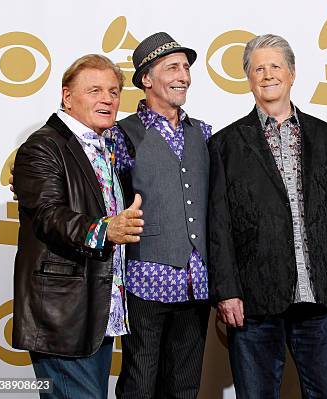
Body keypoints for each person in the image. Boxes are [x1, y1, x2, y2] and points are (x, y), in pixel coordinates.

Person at [207, 34, 327, 399]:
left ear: (292, 74)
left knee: (326, 392)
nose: (267, 74)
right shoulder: (225, 144)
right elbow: (219, 224)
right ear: (248, 79)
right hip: (255, 299)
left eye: (275, 66)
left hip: (318, 294)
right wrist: (227, 291)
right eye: (258, 68)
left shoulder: (326, 137)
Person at [12, 54, 143, 398]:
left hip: (96, 310)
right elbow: (48, 214)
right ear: (67, 97)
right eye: (95, 90)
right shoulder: (44, 146)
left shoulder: (104, 147)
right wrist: (104, 231)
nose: (107, 99)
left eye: (114, 92)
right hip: (63, 314)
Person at [113, 32, 212, 399]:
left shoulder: (202, 132)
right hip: (144, 279)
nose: (183, 76)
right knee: (140, 381)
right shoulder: (122, 134)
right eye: (173, 67)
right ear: (146, 79)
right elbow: (95, 184)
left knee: (185, 383)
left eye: (185, 68)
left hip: (196, 280)